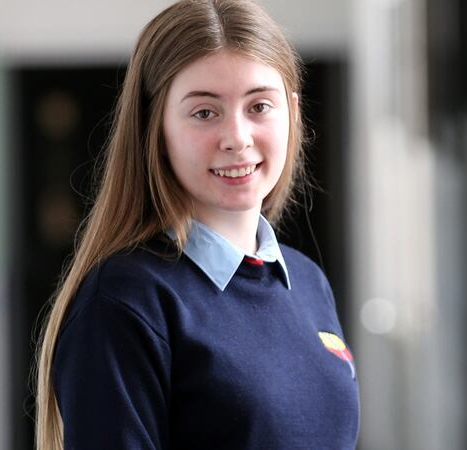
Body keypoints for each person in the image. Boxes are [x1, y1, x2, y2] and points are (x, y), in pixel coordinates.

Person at [35, 0, 360, 448]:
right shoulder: (125, 304)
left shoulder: (307, 282)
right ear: (156, 130)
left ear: (293, 113)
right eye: (205, 113)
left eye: (259, 106)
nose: (237, 138)